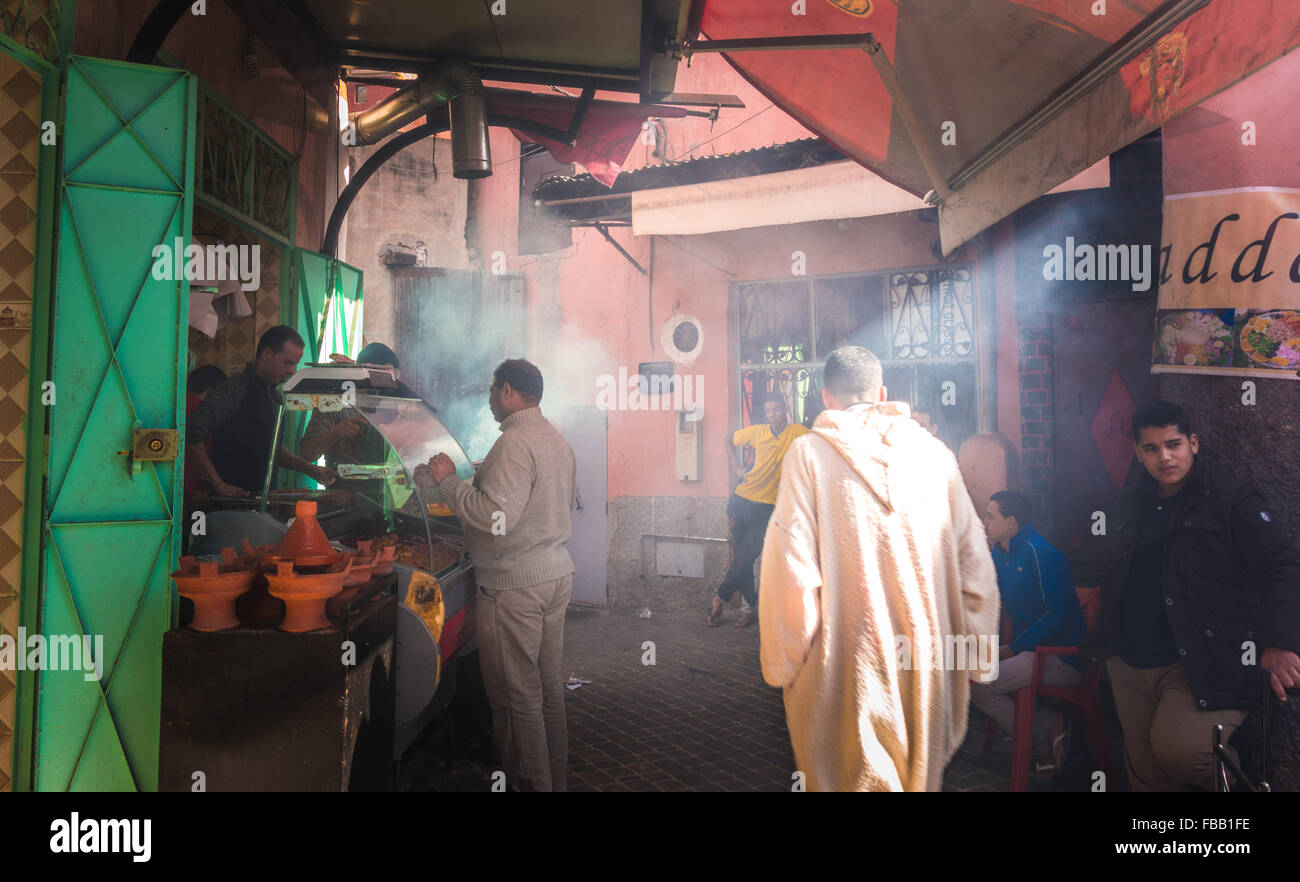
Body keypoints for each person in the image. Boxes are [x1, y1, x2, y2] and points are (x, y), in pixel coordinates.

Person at [758, 345, 1000, 791]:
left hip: (847, 664)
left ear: (826, 398)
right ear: (883, 392)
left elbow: (790, 568)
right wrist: (976, 655)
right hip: (927, 662)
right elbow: (975, 563)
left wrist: (784, 661)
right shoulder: (935, 455)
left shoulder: (808, 456)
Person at [1081, 401, 1300, 791]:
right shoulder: (1132, 499)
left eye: (1174, 444)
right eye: (1151, 448)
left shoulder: (1230, 497)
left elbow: (1282, 564)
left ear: (1193, 443)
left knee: (1183, 751)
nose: (1164, 457)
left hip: (1201, 658)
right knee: (1147, 777)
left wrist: (1280, 641)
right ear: (1138, 452)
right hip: (1129, 659)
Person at [424, 359, 577, 792]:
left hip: (516, 585)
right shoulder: (552, 438)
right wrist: (478, 476)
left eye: (493, 391)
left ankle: (531, 785)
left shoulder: (514, 441)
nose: (490, 399)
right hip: (551, 574)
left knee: (516, 700)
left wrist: (451, 483)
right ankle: (553, 783)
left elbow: (496, 517)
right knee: (546, 693)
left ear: (508, 391)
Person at [973, 490, 1085, 779]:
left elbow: (1059, 616)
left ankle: (1039, 743)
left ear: (1011, 522)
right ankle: (1049, 724)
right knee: (967, 670)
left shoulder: (1042, 554)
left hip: (1064, 657)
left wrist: (1012, 648)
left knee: (980, 686)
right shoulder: (1000, 553)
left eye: (990, 515)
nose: (983, 521)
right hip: (1028, 652)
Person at [186, 325, 335, 496]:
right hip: (228, 505)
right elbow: (191, 432)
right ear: (267, 354)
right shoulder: (233, 390)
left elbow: (274, 449)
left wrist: (311, 469)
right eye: (287, 362)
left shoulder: (276, 398)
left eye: (295, 364)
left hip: (260, 502)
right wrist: (218, 484)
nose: (292, 371)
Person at [708, 394, 809, 628]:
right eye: (768, 410)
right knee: (742, 559)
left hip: (766, 507)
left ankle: (720, 598)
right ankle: (748, 610)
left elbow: (815, 447)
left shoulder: (797, 431)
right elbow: (728, 439)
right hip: (741, 500)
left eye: (776, 409)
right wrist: (736, 468)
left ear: (786, 410)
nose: (772, 414)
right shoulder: (756, 432)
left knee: (746, 556)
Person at [183, 364, 227, 499]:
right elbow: (197, 453)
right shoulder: (201, 415)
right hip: (183, 494)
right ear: (211, 393)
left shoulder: (178, 404)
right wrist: (220, 485)